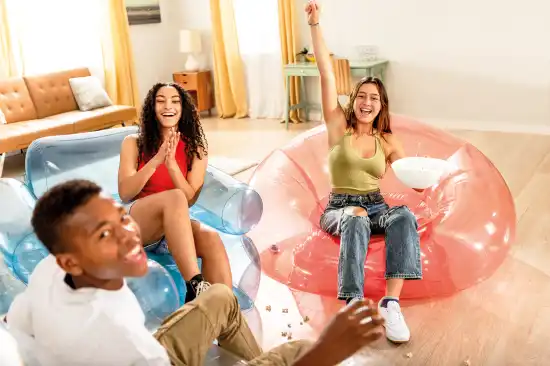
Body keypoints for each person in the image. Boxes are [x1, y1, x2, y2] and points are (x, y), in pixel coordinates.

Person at [5, 179, 385, 366]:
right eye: (104, 234)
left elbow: (16, 320)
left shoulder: (47, 273)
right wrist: (324, 354)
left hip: (149, 350)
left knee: (219, 296)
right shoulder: (122, 341)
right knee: (304, 349)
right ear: (70, 261)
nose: (128, 234)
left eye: (122, 217)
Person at [306, 0, 422, 343]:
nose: (367, 102)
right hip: (340, 208)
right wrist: (315, 25)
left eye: (375, 97)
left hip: (377, 206)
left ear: (381, 105)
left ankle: (391, 303)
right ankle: (353, 303)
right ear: (354, 99)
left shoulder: (387, 140)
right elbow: (327, 72)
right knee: (355, 215)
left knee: (402, 216)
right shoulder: (338, 126)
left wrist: (429, 184)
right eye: (362, 95)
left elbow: (410, 176)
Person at [117, 82, 231, 303]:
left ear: (183, 108)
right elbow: (125, 192)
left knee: (210, 237)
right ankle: (195, 286)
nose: (168, 106)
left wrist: (171, 165)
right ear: (152, 108)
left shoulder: (196, 149)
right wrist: (156, 160)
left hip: (171, 227)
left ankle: (226, 313)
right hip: (136, 223)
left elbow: (188, 199)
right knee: (174, 197)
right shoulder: (133, 143)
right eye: (160, 101)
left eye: (175, 101)